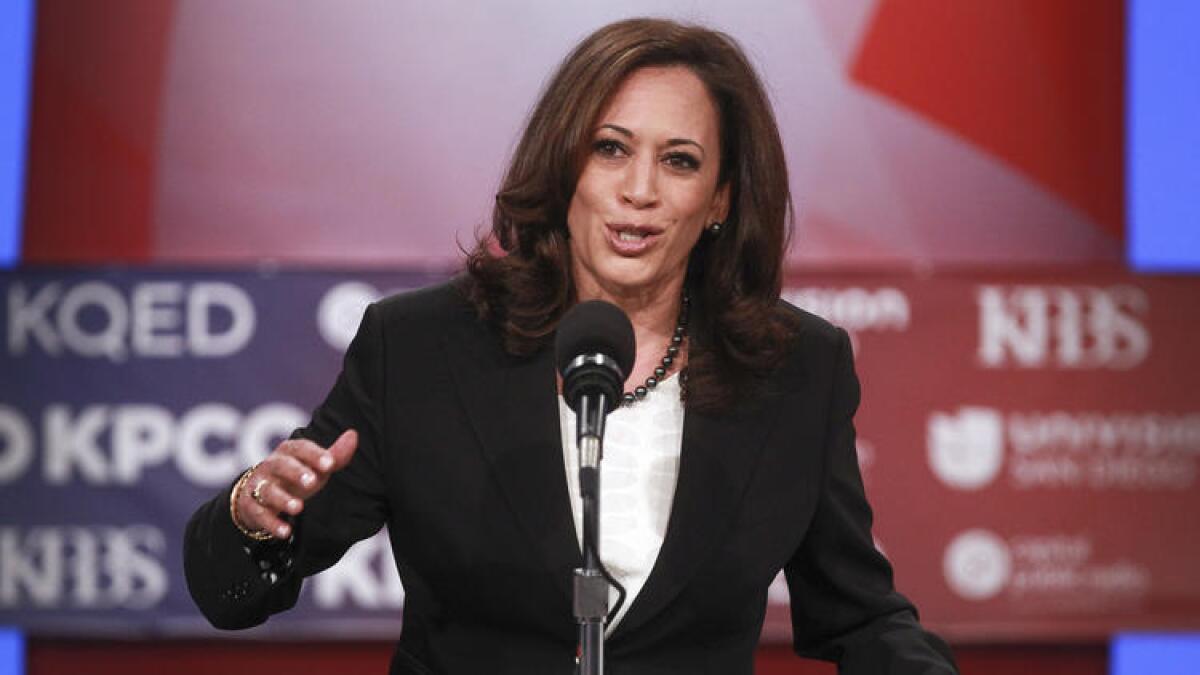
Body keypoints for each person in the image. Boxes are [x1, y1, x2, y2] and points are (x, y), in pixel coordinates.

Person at [184, 17, 959, 675]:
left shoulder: (795, 368)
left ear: (721, 197)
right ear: (566, 166)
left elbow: (857, 615)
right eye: (611, 149)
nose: (640, 189)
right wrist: (255, 514)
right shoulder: (421, 348)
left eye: (679, 161)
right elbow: (237, 591)